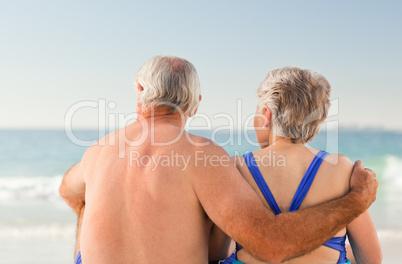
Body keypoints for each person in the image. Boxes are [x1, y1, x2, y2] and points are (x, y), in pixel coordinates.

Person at [59, 56, 378, 264]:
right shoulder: (202, 155)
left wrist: (85, 234)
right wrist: (356, 201)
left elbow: (68, 191)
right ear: (195, 104)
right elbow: (271, 244)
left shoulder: (95, 152)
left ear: (140, 90)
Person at [219, 67, 382, 264]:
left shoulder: (236, 168)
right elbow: (371, 259)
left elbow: (217, 251)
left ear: (266, 114)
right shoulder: (340, 168)